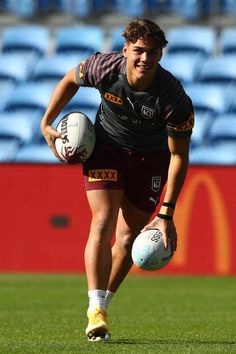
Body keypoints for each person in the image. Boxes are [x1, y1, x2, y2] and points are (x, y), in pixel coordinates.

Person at [41, 18, 194, 342]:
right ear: (125, 50)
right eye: (138, 50)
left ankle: (103, 306)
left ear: (160, 56)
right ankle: (95, 309)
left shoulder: (173, 98)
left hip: (151, 161)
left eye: (152, 52)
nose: (145, 58)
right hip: (107, 148)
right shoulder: (104, 68)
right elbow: (70, 78)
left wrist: (166, 214)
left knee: (127, 239)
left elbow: (179, 156)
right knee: (103, 220)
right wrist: (46, 123)